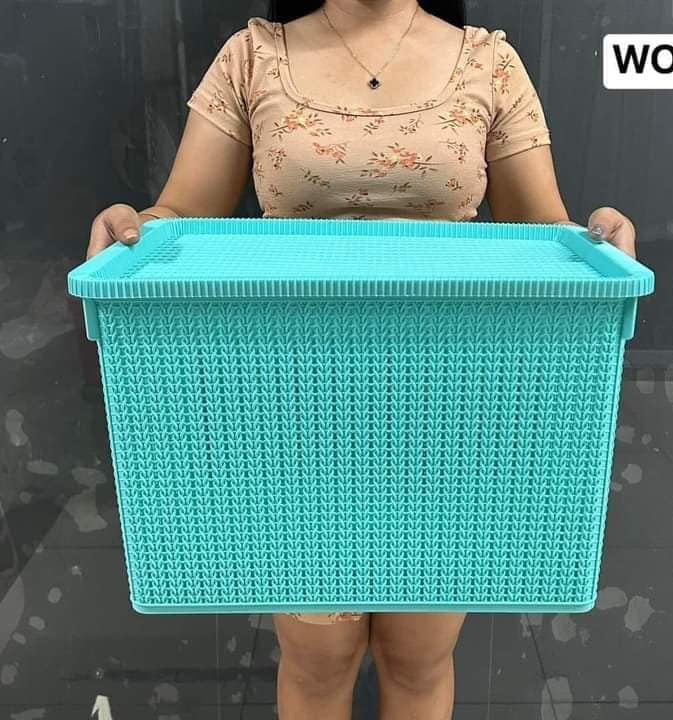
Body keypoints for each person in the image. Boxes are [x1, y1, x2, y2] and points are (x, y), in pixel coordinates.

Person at [86, 1, 638, 717]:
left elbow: (542, 234)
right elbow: (181, 218)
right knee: (318, 661)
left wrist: (594, 243)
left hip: (446, 413)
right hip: (297, 412)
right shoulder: (253, 59)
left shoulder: (489, 63)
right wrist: (134, 228)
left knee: (418, 657)